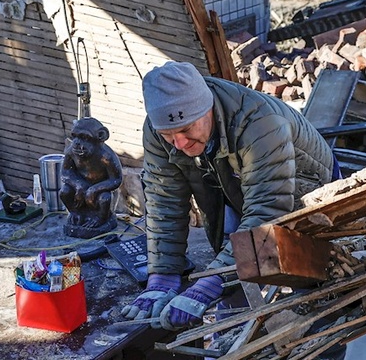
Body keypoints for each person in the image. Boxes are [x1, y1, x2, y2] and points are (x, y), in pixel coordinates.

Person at [121, 61, 341, 330]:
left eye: (186, 130)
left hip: (304, 190)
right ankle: (234, 334)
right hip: (233, 181)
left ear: (208, 110)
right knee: (234, 275)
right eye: (168, 135)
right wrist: (163, 275)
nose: (179, 144)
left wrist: (211, 282)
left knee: (310, 285)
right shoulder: (159, 127)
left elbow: (267, 212)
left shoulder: (260, 123)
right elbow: (163, 199)